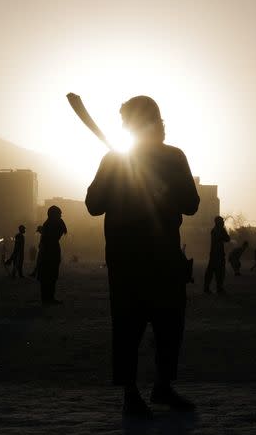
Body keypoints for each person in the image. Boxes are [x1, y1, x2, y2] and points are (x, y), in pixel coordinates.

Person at [85, 95, 200, 417]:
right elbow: (94, 205)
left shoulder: (174, 158)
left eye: (127, 121)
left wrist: (162, 190)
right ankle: (130, 393)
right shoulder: (114, 160)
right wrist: (117, 178)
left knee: (168, 325)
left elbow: (190, 204)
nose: (123, 126)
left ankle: (162, 387)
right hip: (127, 259)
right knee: (128, 327)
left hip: (162, 257)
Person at [36, 206, 67, 304]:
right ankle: (47, 298)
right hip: (49, 253)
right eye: (59, 214)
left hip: (51, 253)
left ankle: (48, 298)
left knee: (51, 277)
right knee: (48, 277)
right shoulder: (50, 224)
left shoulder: (51, 224)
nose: (61, 216)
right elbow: (50, 239)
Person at [204, 216, 230, 294]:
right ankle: (215, 288)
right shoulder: (216, 231)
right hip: (216, 254)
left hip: (217, 254)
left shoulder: (218, 230)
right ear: (218, 222)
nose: (223, 222)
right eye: (221, 221)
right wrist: (223, 233)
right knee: (215, 272)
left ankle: (213, 288)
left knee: (215, 272)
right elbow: (226, 238)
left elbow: (227, 239)